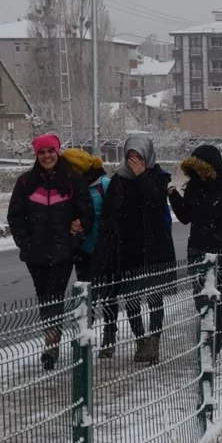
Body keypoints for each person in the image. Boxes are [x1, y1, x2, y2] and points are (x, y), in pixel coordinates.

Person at [7, 133, 93, 371]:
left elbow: (86, 213)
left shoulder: (73, 180)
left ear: (58, 152)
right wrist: (25, 242)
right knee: (44, 297)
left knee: (54, 295)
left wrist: (76, 233)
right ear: (37, 156)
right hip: (35, 253)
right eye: (42, 153)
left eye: (50, 151)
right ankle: (51, 335)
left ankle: (51, 345)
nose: (46, 156)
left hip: (62, 252)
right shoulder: (26, 182)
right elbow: (15, 216)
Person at [91, 135, 176, 364]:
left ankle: (154, 340)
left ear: (147, 156)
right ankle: (141, 340)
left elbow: (157, 201)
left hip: (154, 246)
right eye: (130, 157)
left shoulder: (158, 176)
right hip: (127, 247)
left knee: (155, 296)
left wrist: (142, 177)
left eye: (139, 157)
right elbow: (109, 213)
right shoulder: (119, 179)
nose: (134, 162)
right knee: (131, 298)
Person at [169, 144, 222, 355]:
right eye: (197, 170)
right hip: (197, 248)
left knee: (218, 299)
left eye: (204, 170)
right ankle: (207, 333)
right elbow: (186, 217)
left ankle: (216, 338)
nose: (201, 175)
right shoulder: (194, 186)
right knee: (200, 298)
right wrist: (174, 197)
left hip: (221, 251)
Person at [60, 148, 109, 283]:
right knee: (86, 292)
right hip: (82, 249)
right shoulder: (72, 187)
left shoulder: (103, 184)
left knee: (107, 294)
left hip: (102, 248)